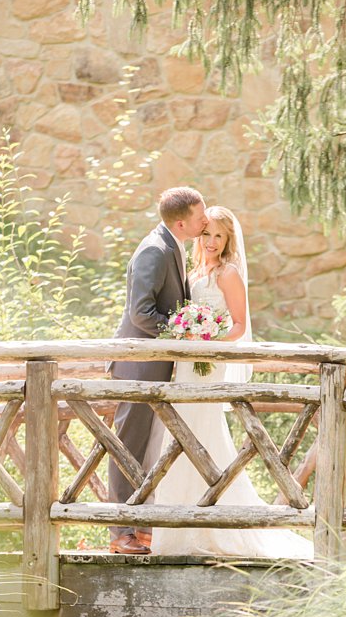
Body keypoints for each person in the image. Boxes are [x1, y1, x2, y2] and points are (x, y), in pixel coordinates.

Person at [146, 206, 314, 558]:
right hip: (187, 365)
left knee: (201, 434)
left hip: (210, 363)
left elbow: (238, 326)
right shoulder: (193, 271)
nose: (210, 241)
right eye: (206, 234)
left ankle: (216, 522)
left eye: (218, 236)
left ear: (227, 241)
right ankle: (175, 528)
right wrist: (185, 331)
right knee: (178, 436)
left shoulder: (228, 273)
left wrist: (208, 341)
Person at [108, 186, 208, 555]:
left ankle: (141, 526)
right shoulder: (154, 249)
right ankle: (121, 533)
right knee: (127, 448)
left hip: (154, 366)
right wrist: (185, 331)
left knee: (148, 450)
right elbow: (141, 313)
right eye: (201, 216)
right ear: (182, 222)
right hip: (139, 366)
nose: (206, 220)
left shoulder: (172, 245)